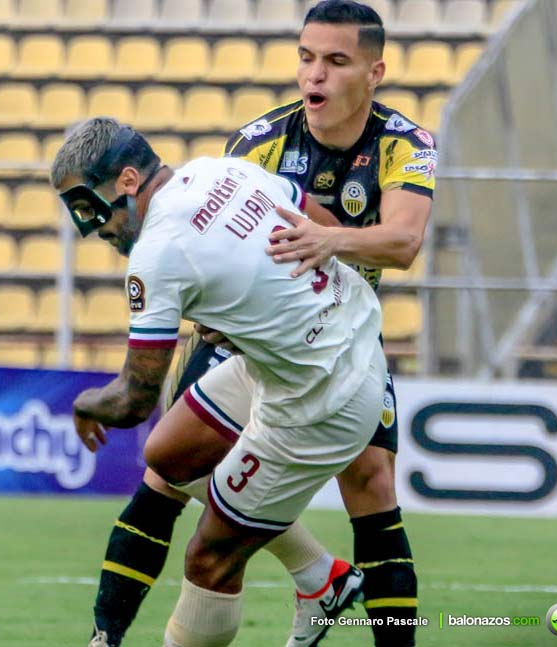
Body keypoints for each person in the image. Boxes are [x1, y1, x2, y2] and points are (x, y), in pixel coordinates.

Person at [86, 2, 434, 645]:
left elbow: (403, 243)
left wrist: (331, 243)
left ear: (374, 72)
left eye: (335, 61)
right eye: (306, 58)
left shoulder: (406, 143)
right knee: (165, 464)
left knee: (372, 485)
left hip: (336, 340)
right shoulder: (258, 141)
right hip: (251, 337)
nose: (314, 77)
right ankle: (113, 634)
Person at [52, 117, 387, 647]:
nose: (92, 228)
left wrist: (86, 403)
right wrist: (267, 301)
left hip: (320, 400)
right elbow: (321, 226)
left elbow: (134, 398)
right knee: (169, 455)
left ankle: (316, 579)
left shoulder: (156, 253)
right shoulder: (223, 170)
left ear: (128, 181)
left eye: (89, 207)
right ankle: (320, 577)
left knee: (208, 560)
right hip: (339, 347)